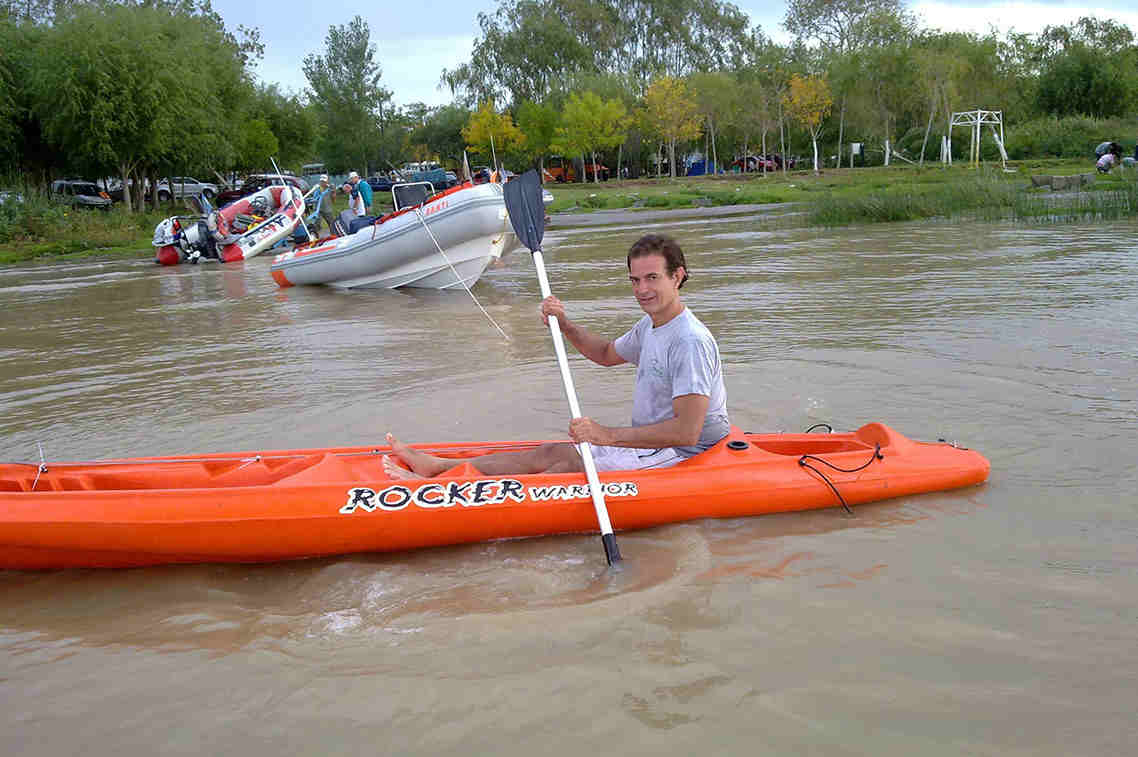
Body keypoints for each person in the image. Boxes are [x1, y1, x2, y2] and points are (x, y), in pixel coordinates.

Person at [383, 233, 730, 479]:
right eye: (635, 280)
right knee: (551, 453)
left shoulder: (689, 341)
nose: (641, 290)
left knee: (565, 469)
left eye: (652, 278)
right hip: (652, 446)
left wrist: (605, 435)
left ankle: (443, 488)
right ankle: (440, 468)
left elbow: (687, 432)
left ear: (677, 276)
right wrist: (564, 325)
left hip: (685, 454)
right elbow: (607, 353)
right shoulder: (652, 325)